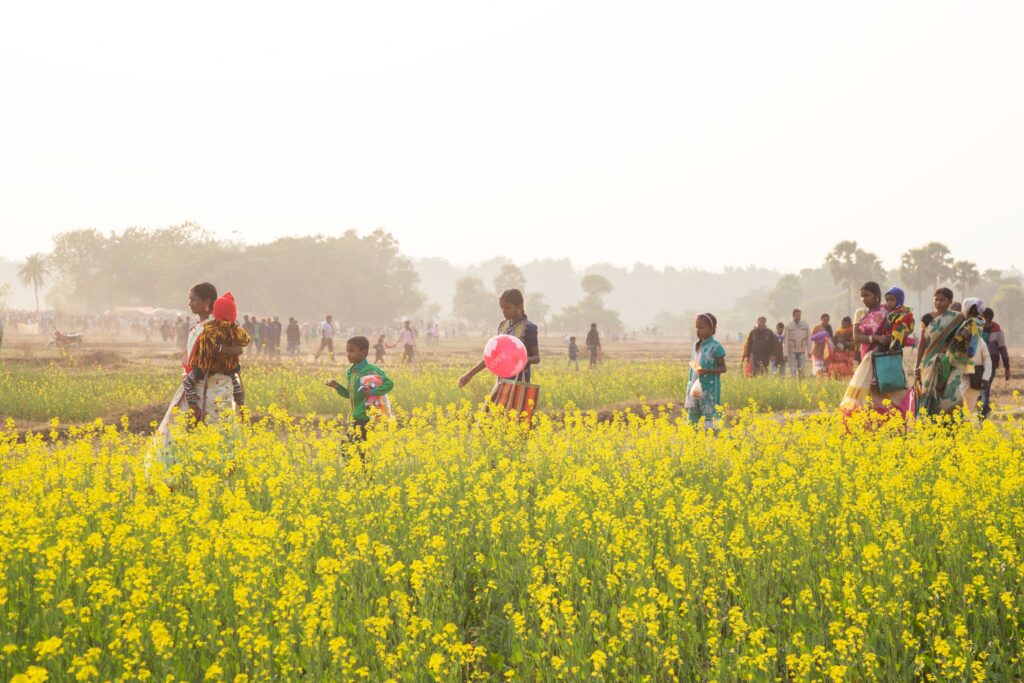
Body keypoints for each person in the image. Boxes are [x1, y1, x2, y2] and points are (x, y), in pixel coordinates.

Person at [153, 285, 249, 468]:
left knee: (191, 434)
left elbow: (233, 355)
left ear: (206, 303)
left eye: (193, 300)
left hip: (205, 387)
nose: (189, 303)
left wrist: (193, 402)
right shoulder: (199, 327)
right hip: (201, 385)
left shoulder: (215, 328)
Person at [839, 283, 914, 417]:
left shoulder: (888, 311)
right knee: (869, 392)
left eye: (867, 295)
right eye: (862, 296)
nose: (864, 299)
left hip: (886, 356)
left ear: (877, 296)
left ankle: (895, 424)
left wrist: (890, 339)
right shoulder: (860, 313)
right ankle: (869, 427)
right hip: (868, 358)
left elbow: (903, 327)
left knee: (891, 390)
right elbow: (857, 337)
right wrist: (876, 338)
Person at [915, 288, 980, 418]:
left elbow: (966, 338)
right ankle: (930, 425)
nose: (938, 303)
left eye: (942, 300)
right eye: (936, 300)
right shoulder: (927, 318)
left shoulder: (958, 318)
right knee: (929, 392)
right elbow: (922, 343)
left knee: (950, 394)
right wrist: (917, 365)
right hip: (930, 362)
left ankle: (951, 426)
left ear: (950, 301)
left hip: (951, 362)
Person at [458, 288, 540, 388]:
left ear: (519, 306)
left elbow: (536, 358)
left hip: (518, 383)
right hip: (501, 381)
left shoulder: (529, 328)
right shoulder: (503, 326)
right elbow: (492, 356)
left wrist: (520, 358)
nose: (504, 311)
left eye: (508, 308)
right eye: (502, 308)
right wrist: (470, 374)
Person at [327, 336, 394, 442]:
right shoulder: (351, 372)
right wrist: (338, 387)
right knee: (350, 450)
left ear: (363, 353)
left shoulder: (370, 370)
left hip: (366, 419)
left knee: (353, 450)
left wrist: (371, 392)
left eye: (352, 351)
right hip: (356, 417)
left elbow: (389, 383)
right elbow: (351, 394)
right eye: (347, 351)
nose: (348, 354)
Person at [686, 313, 727, 428]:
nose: (698, 331)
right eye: (696, 327)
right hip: (694, 388)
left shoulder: (716, 347)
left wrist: (708, 371)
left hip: (709, 390)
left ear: (712, 329)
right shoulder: (696, 345)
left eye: (702, 328)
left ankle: (719, 441)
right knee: (692, 419)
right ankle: (693, 442)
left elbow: (723, 368)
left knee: (710, 421)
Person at [980, 308, 1011, 417]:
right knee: (977, 388)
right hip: (977, 363)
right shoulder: (976, 328)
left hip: (991, 363)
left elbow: (1002, 349)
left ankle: (983, 414)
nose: (978, 318)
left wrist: (1007, 368)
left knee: (985, 387)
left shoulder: (997, 330)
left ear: (987, 319)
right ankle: (984, 408)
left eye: (981, 316)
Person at [784, 309, 811, 378]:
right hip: (792, 351)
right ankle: (793, 384)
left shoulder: (805, 325)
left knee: (802, 369)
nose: (798, 317)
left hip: (802, 351)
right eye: (796, 315)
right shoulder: (788, 326)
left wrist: (809, 351)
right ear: (793, 316)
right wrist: (785, 354)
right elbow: (786, 340)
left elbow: (808, 339)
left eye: (799, 315)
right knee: (792, 370)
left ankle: (801, 384)